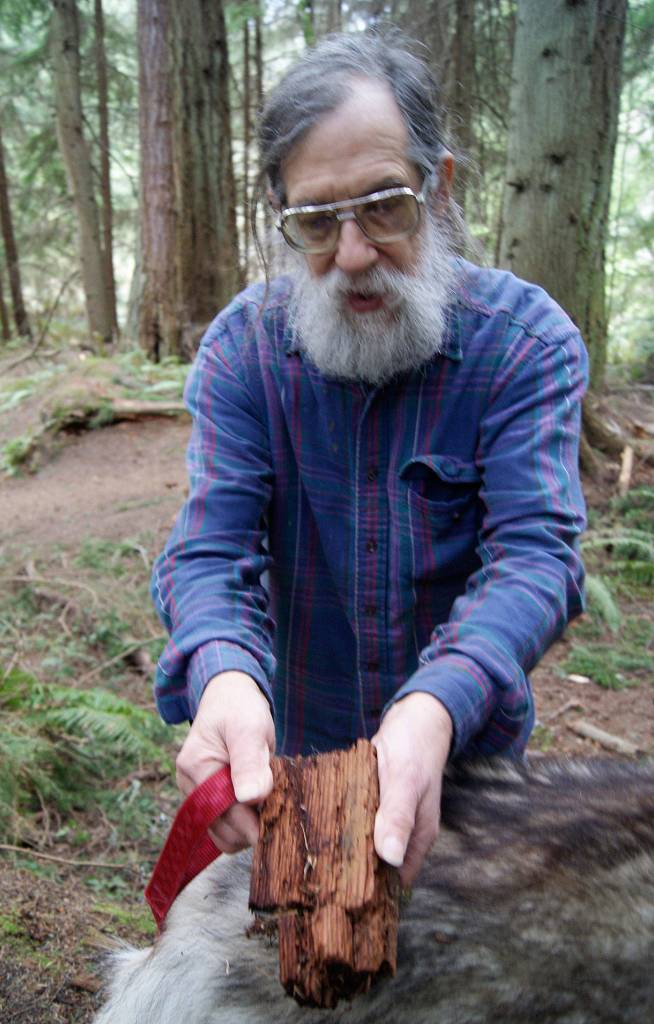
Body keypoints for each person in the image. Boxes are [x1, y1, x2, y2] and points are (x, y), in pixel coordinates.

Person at [151, 33, 587, 886]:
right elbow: (211, 552)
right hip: (295, 772)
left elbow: (536, 557)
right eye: (316, 221)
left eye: (384, 205)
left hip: (469, 767)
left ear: (442, 186)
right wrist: (226, 678)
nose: (352, 255)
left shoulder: (526, 346)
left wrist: (433, 708)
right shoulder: (244, 351)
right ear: (283, 221)